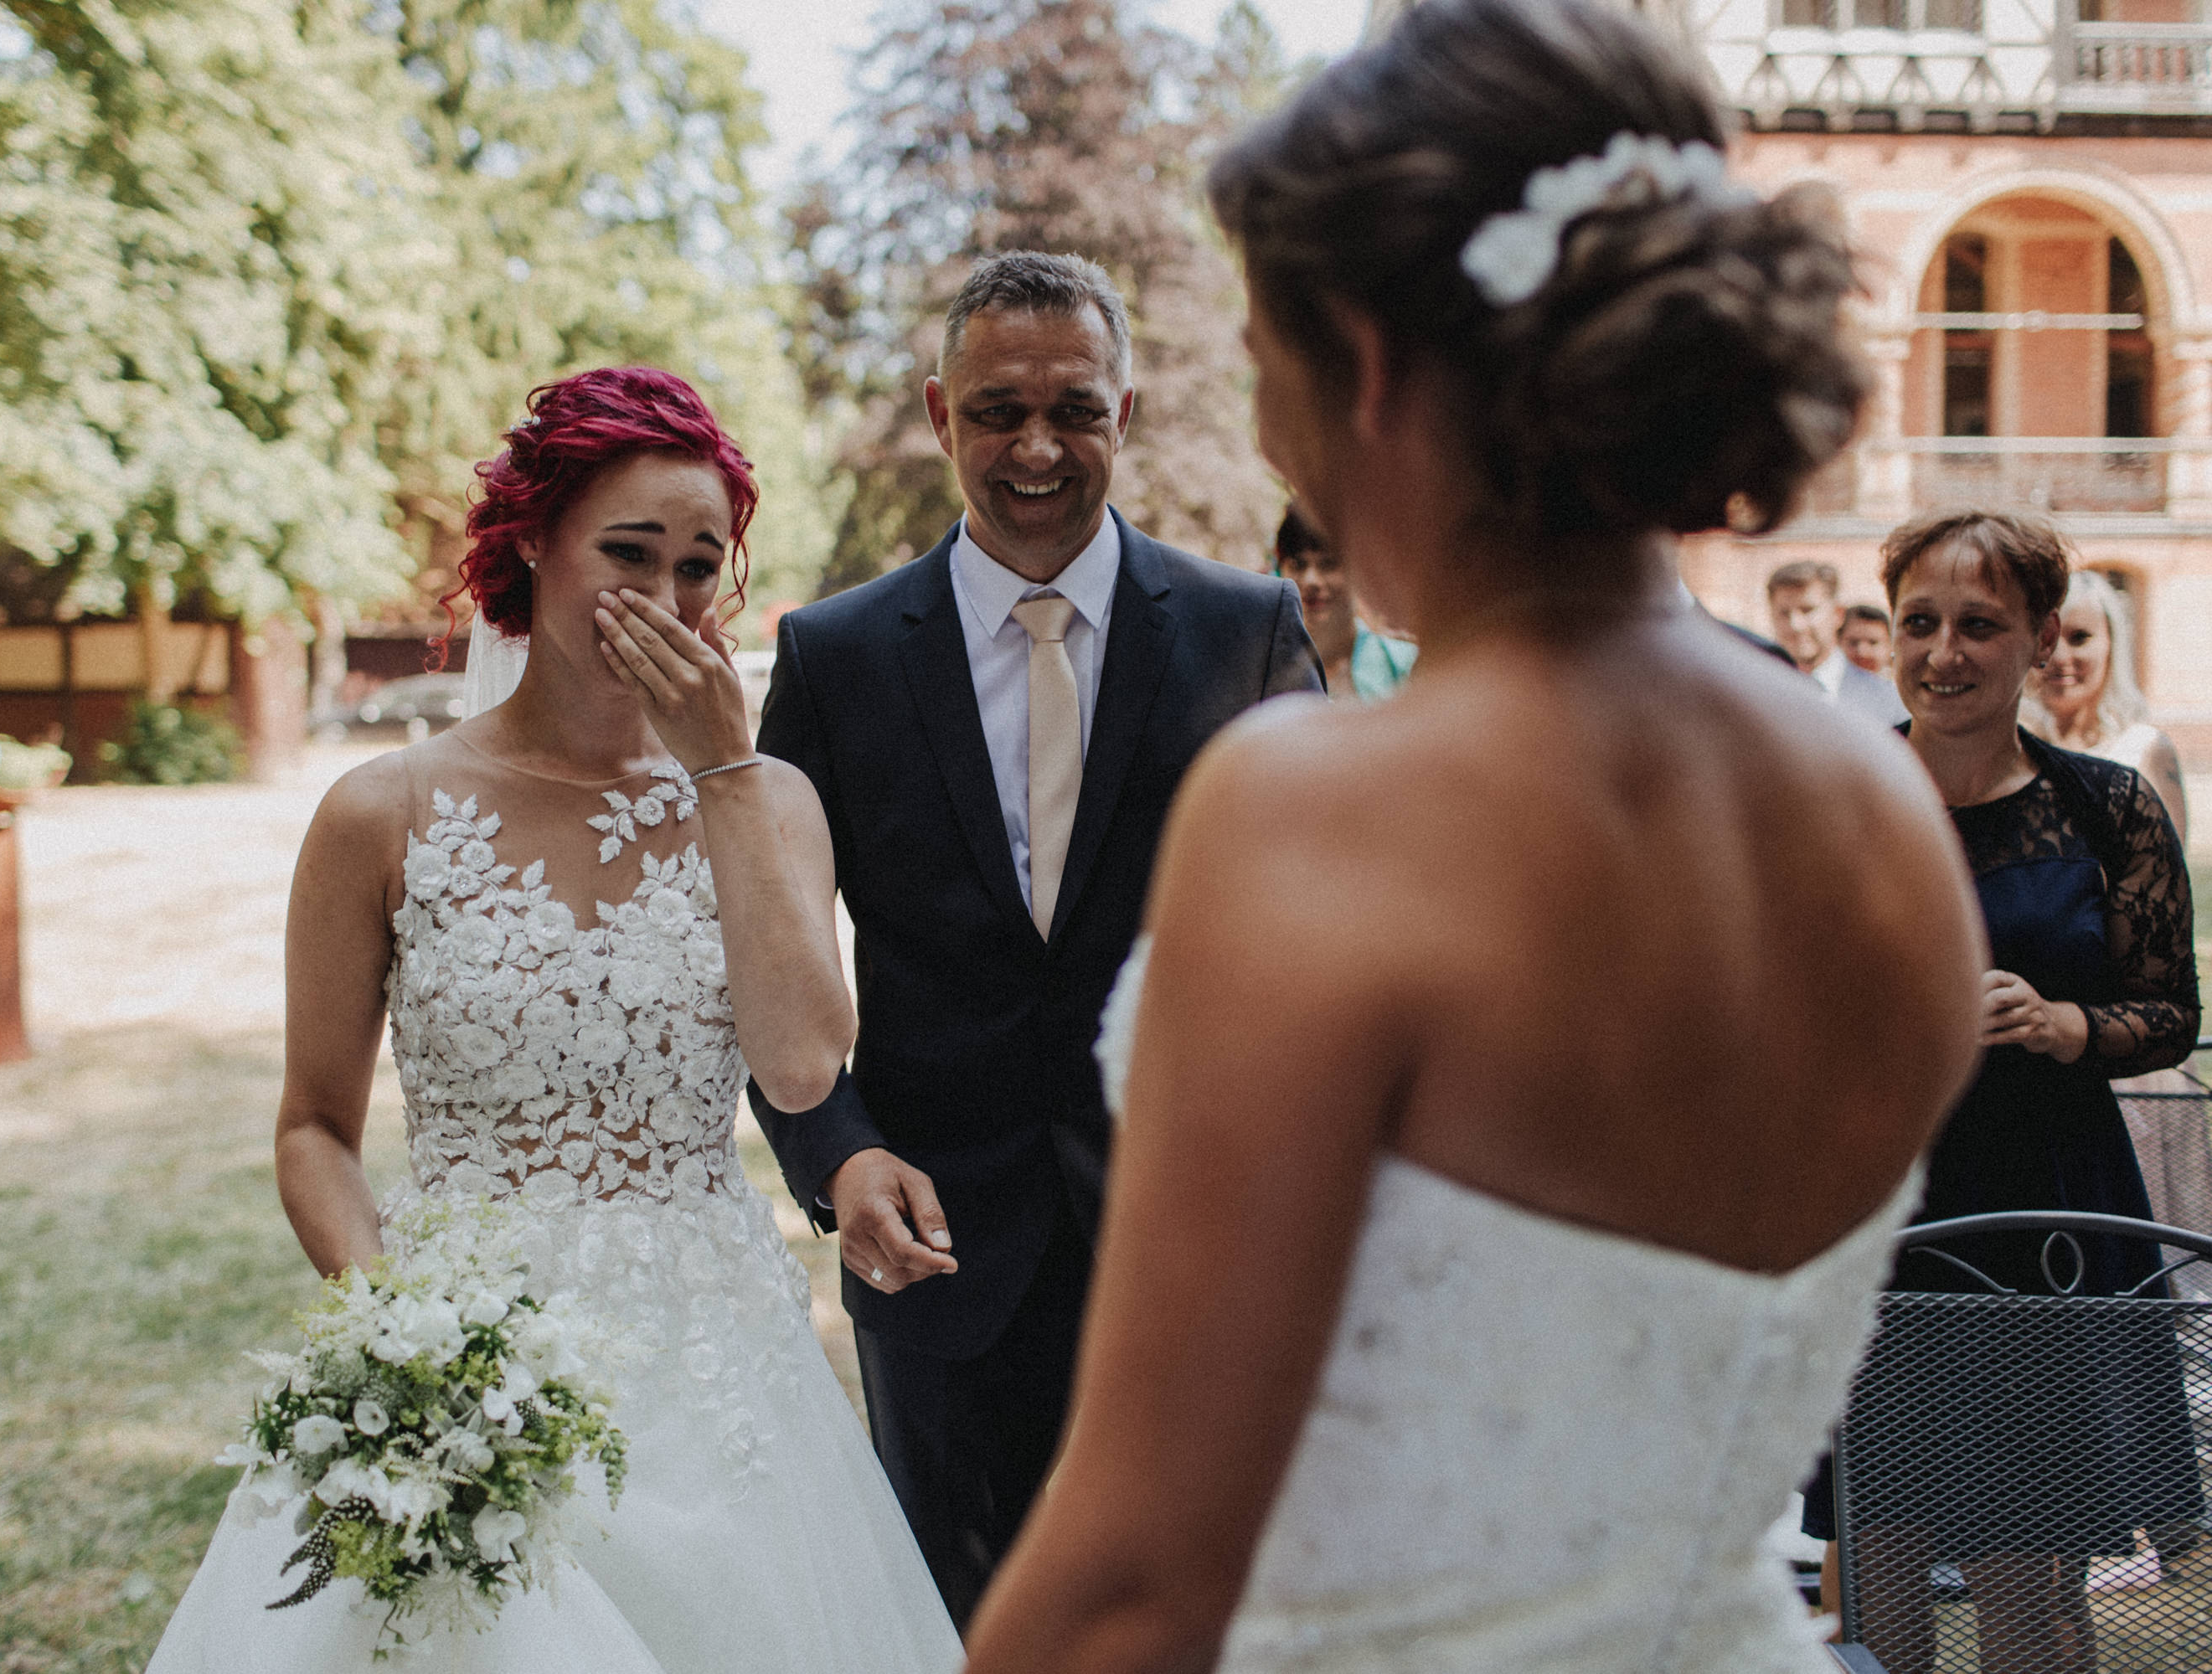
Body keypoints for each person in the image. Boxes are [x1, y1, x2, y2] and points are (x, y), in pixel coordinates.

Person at [962, 3, 1987, 1670]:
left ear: (1360, 360)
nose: (1268, 421)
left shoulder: (1322, 809)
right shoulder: (1881, 822)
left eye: (1261, 356)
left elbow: (1133, 1590)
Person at [147, 368, 959, 1672]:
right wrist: (406, 1342)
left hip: (715, 1373)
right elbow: (310, 1127)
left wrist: (723, 771)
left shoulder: (768, 800)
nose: (666, 597)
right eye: (626, 552)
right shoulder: (381, 811)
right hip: (468, 1354)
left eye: (700, 565)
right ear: (532, 542)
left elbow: (803, 1066)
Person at [747, 250, 1322, 1628]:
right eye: (997, 410)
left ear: (1122, 413)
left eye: (1073, 407)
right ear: (939, 417)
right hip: (936, 1258)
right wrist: (832, 1156)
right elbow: (764, 947)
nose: (1036, 445)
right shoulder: (833, 658)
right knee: (960, 1630)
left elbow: (1326, 935)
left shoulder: (1246, 633)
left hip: (1192, 1253)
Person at [1798, 510, 2204, 1674]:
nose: (1941, 651)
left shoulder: (2102, 807)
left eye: (1978, 624)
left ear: (2036, 638)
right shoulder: (1832, 793)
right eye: (1917, 622)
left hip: (2043, 1216)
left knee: (2031, 1588)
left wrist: (2064, 1021)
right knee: (1875, 1576)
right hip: (1879, 1208)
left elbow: (2166, 1008)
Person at [2027, 567, 2189, 844]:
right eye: (2047, 639)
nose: (2060, 656)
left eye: (2079, 638)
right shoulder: (2014, 749)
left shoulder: (2145, 750)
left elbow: (2170, 875)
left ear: (2112, 644)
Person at [1272, 505, 1417, 700]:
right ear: (1280, 570)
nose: (1311, 581)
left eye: (1328, 564)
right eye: (1298, 565)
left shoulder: (1405, 665)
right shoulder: (1263, 667)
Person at [1768, 558, 1909, 727]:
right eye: (1784, 613)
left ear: (1838, 614)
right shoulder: (1752, 694)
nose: (1796, 625)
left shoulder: (1887, 701)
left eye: (1807, 610)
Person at [1839, 600, 1892, 676]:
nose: (1862, 652)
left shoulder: (1896, 686)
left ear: (1889, 647)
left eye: (1873, 642)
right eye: (1853, 642)